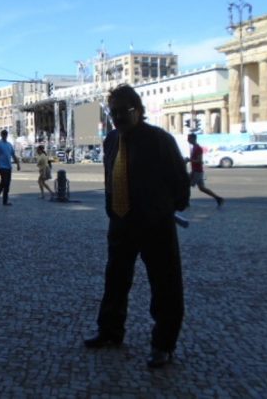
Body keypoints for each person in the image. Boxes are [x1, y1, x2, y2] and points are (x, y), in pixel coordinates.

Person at [84, 84, 190, 369]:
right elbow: (111, 176)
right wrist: (111, 209)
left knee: (165, 286)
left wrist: (166, 209)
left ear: (139, 111)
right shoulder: (111, 140)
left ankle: (163, 345)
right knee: (115, 281)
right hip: (120, 222)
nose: (118, 117)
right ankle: (110, 332)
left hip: (155, 224)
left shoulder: (160, 140)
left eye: (124, 111)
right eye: (114, 112)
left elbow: (180, 182)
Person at [187, 133, 224, 207]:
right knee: (202, 188)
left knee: (186, 185)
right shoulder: (194, 148)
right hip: (196, 171)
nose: (188, 140)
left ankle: (186, 202)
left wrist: (189, 160)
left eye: (189, 138)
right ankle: (218, 198)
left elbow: (200, 161)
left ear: (193, 139)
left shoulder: (198, 148)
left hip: (197, 171)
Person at [0, 129, 20, 206]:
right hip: (1, 167)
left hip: (8, 167)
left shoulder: (9, 145)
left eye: (5, 134)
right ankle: (5, 201)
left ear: (7, 135)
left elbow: (13, 155)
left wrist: (18, 164)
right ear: (1, 135)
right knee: (6, 183)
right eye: (3, 134)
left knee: (3, 183)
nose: (4, 136)